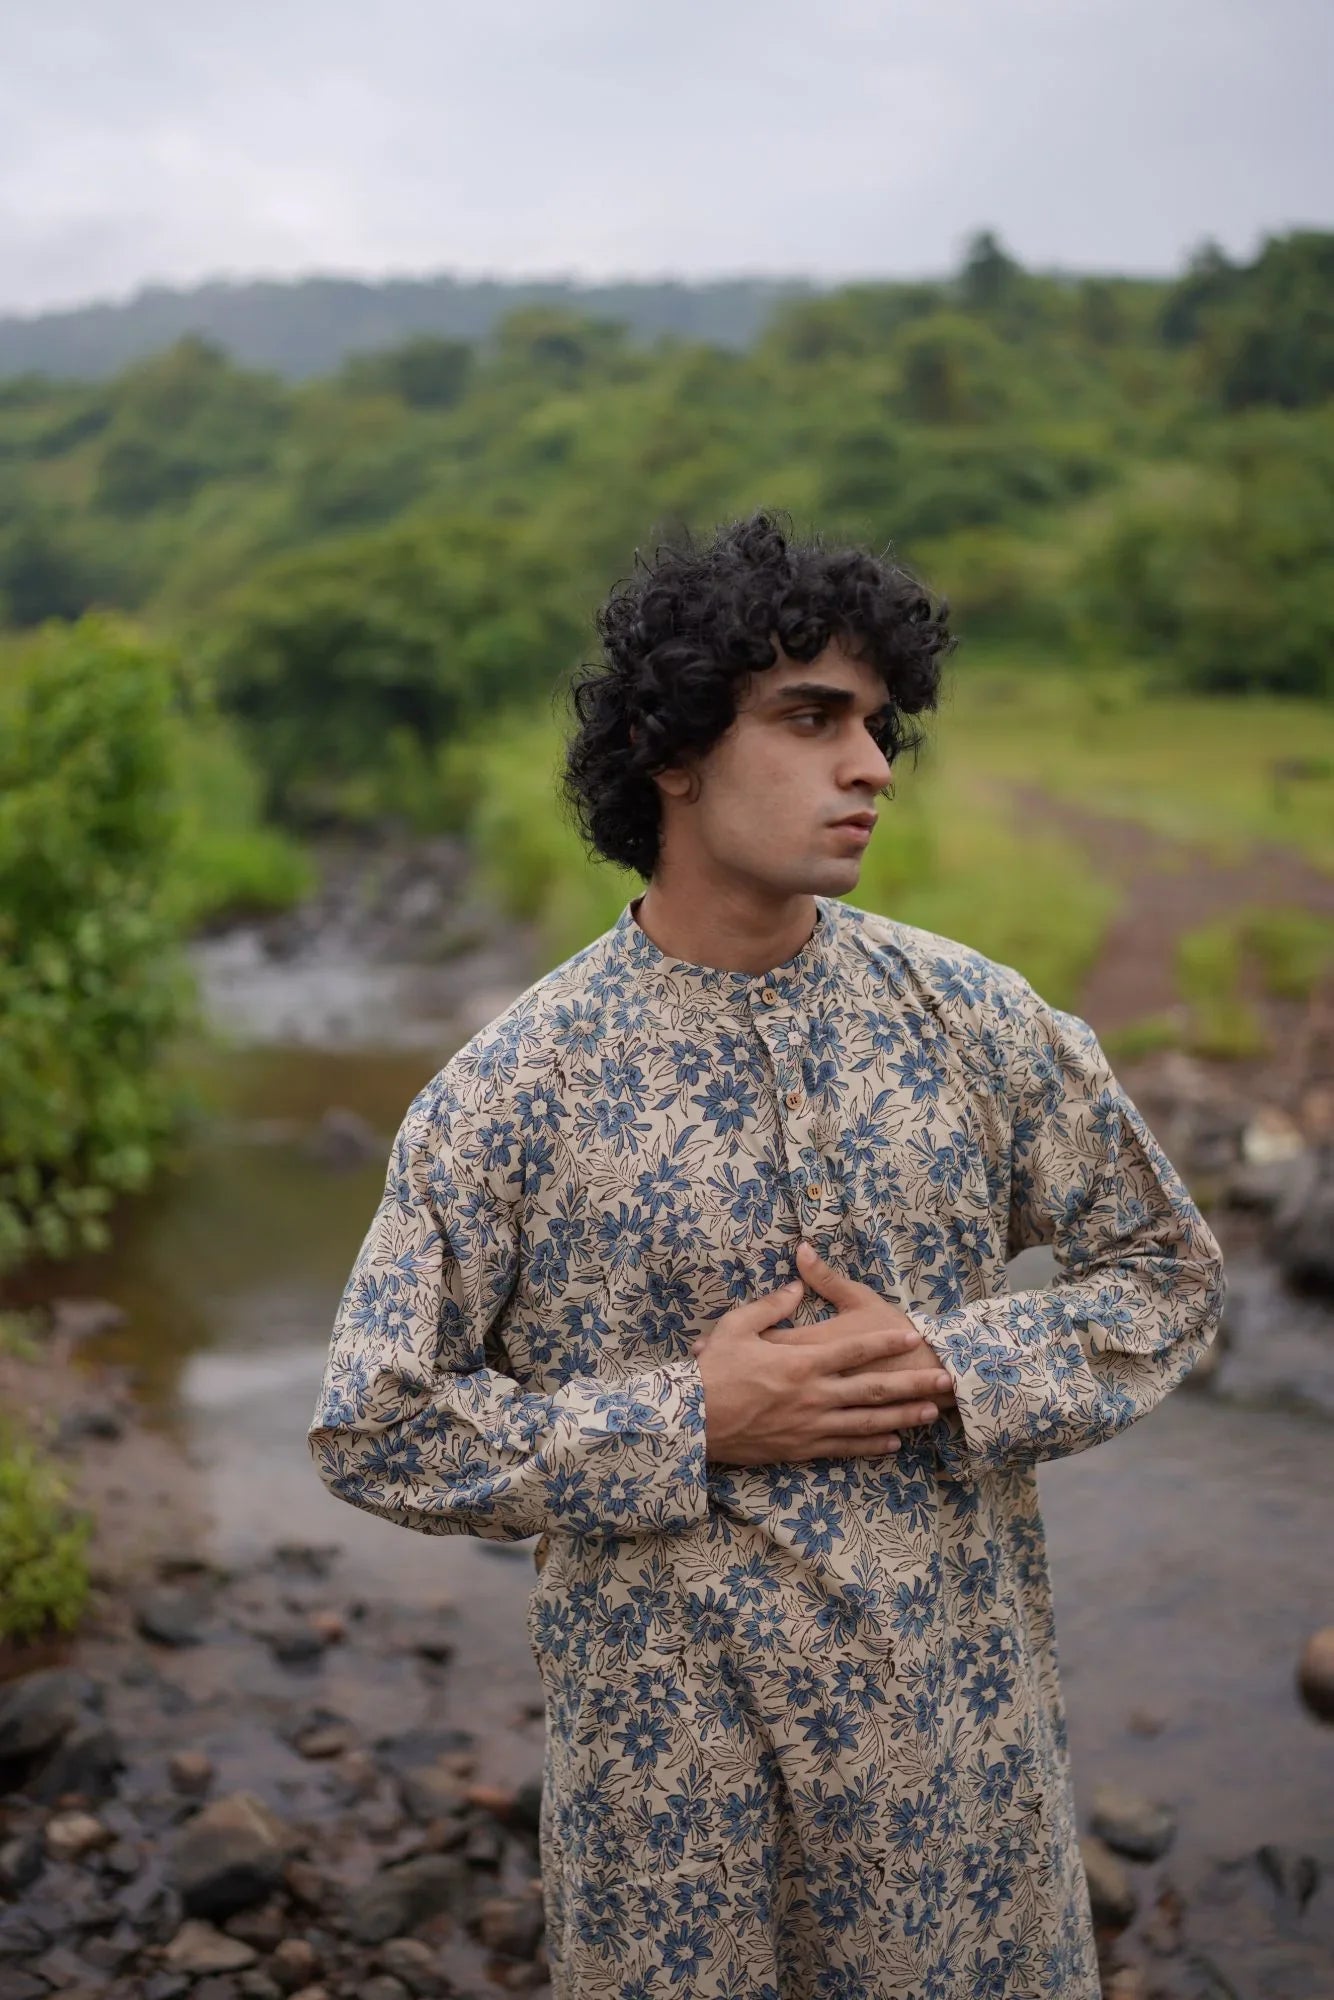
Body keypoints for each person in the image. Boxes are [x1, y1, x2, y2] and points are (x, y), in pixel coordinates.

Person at [309, 512, 1225, 1999]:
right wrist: (689, 1418)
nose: (870, 767)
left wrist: (951, 1360)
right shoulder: (513, 1091)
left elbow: (1168, 1274)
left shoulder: (977, 1022)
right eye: (811, 719)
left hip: (955, 1773)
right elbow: (375, 1427)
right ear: (671, 748)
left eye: (877, 727)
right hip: (672, 1806)